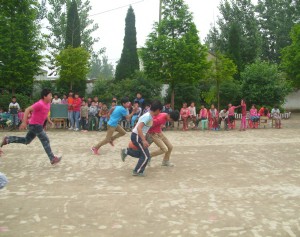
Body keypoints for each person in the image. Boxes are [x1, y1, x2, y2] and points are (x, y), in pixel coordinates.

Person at [0, 89, 62, 165]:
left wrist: (49, 120)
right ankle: (52, 158)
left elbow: (45, 113)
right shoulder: (40, 104)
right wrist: (24, 122)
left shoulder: (48, 103)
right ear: (44, 96)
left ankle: (8, 139)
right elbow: (27, 110)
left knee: (26, 140)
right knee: (45, 139)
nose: (51, 97)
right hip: (35, 125)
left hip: (36, 125)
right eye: (50, 95)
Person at [120, 100, 163, 176]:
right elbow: (139, 128)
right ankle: (137, 171)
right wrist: (144, 140)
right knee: (146, 156)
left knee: (143, 155)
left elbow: (142, 126)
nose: (159, 113)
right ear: (157, 110)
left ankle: (127, 151)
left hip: (137, 135)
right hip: (137, 136)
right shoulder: (147, 116)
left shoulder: (149, 116)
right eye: (160, 111)